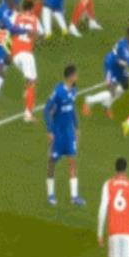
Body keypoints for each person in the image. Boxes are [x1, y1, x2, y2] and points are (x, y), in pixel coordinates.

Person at [44, 64, 85, 207]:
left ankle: (74, 196)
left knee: (72, 161)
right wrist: (50, 131)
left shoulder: (74, 90)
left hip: (69, 133)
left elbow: (72, 109)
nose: (77, 76)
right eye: (75, 74)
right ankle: (51, 194)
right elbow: (46, 110)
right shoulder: (58, 91)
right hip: (58, 133)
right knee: (52, 162)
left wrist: (77, 127)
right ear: (71, 76)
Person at [83, 26, 129, 119]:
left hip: (120, 67)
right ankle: (88, 100)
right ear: (128, 36)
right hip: (111, 66)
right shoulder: (123, 46)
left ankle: (106, 105)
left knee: (124, 86)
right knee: (112, 91)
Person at [10, 0, 43, 122]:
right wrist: (36, 38)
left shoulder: (15, 16)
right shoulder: (35, 19)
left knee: (31, 79)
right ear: (32, 8)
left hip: (15, 55)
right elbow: (40, 36)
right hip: (26, 54)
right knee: (32, 82)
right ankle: (28, 114)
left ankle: (26, 89)